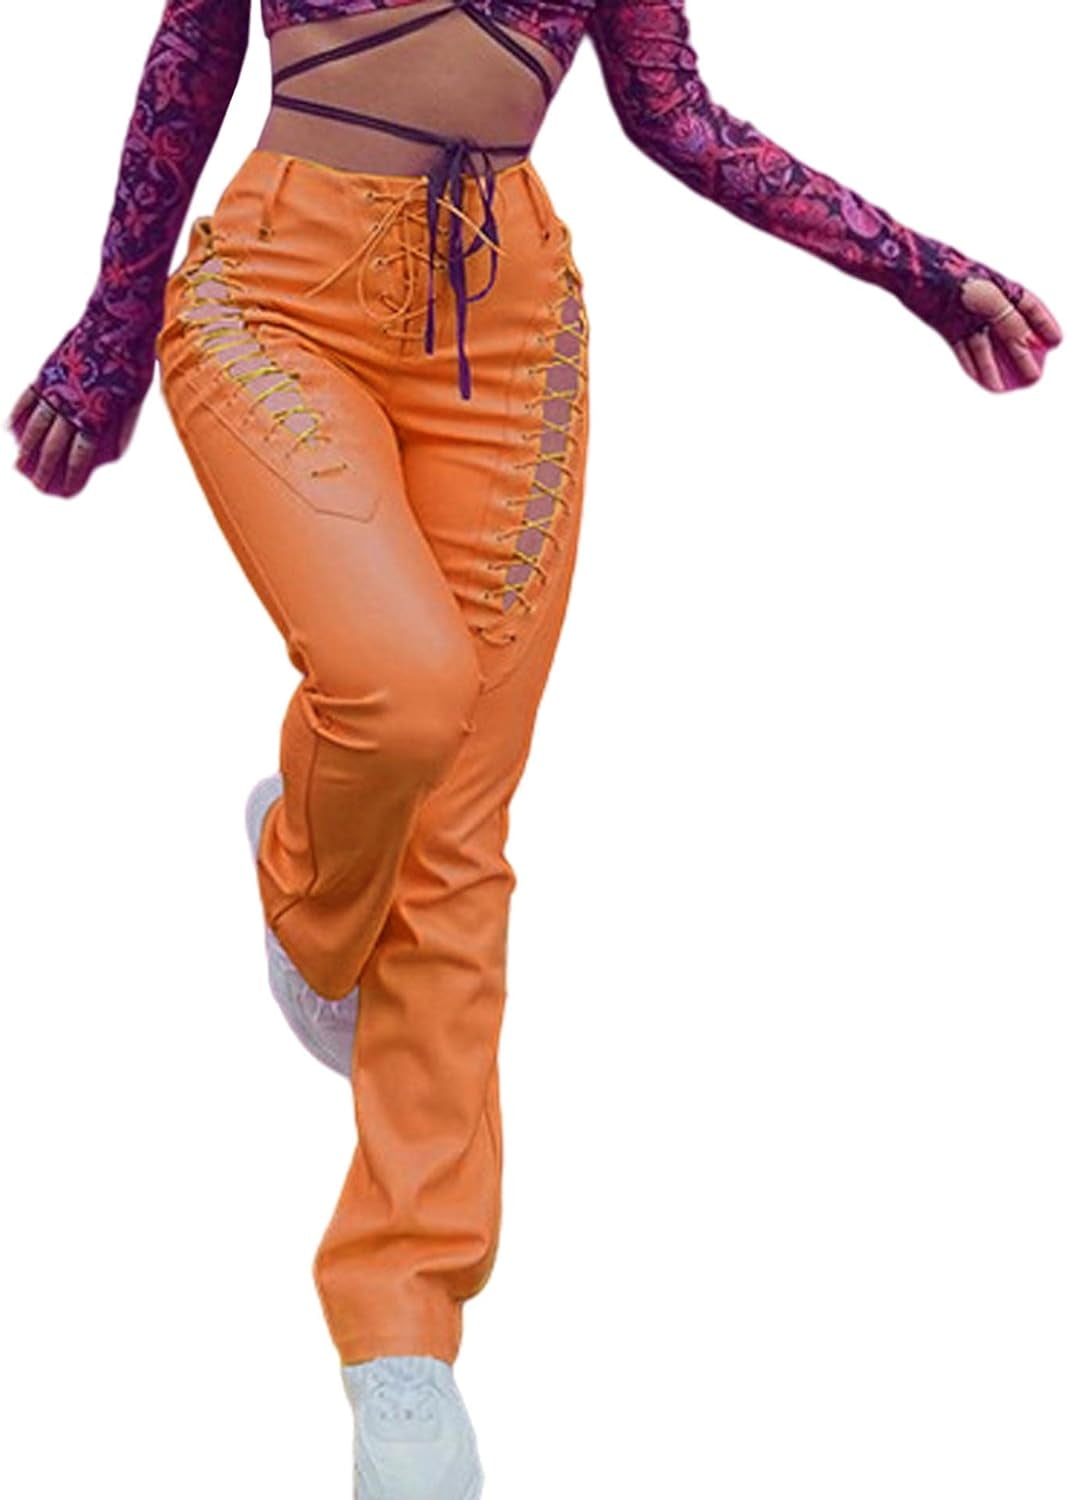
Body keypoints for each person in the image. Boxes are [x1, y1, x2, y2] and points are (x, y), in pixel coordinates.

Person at [6, 2, 1061, 1497]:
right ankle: (309, 886)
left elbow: (678, 118)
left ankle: (403, 1335)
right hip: (276, 296)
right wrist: (115, 327)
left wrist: (920, 271)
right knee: (400, 687)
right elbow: (192, 51)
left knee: (458, 835)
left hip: (508, 331)